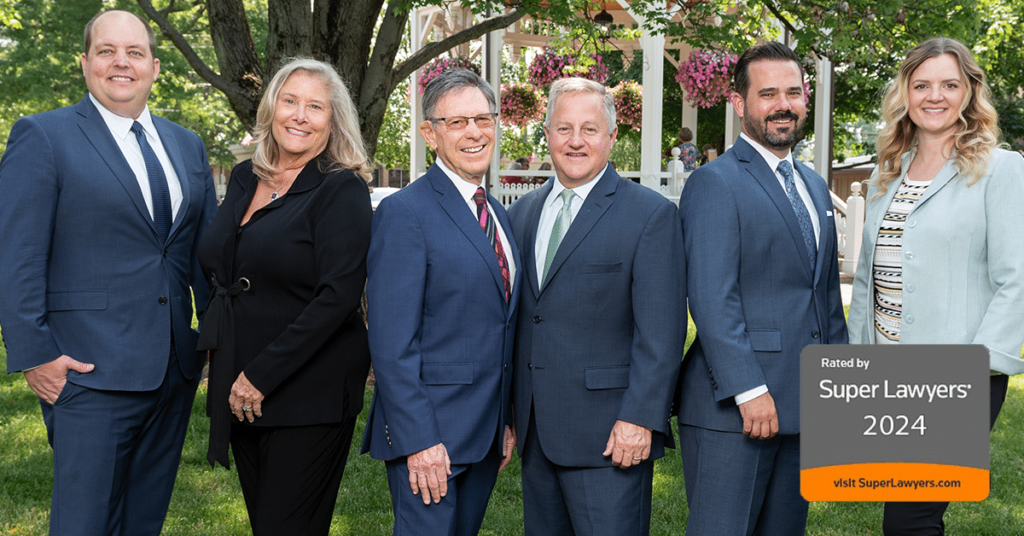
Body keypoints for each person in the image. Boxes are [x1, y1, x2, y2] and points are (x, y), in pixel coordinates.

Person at [0, 10, 217, 535]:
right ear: (85, 63)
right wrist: (36, 356)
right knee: (84, 523)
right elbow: (16, 255)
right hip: (86, 373)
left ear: (155, 66)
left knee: (142, 521)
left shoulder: (186, 144)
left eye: (134, 52)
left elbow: (204, 252)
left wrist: (212, 340)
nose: (121, 62)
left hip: (172, 371)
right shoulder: (43, 136)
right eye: (106, 51)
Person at [847, 37, 1024, 536]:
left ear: (970, 92)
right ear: (905, 91)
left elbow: (1017, 279)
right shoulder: (889, 176)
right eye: (921, 84)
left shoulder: (1002, 170)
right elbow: (868, 280)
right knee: (903, 516)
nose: (934, 96)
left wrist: (973, 368)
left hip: (957, 375)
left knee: (912, 518)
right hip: (888, 374)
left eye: (950, 84)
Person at [676, 41, 848, 536]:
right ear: (738, 103)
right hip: (736, 409)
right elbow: (711, 296)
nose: (783, 105)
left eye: (793, 92)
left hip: (806, 403)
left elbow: (825, 299)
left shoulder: (814, 185)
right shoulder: (714, 183)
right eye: (767, 93)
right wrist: (749, 390)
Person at [195, 58, 372, 534]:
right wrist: (225, 362)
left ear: (332, 122)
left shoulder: (342, 189)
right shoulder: (245, 178)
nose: (299, 115)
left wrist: (260, 374)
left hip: (307, 393)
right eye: (289, 101)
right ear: (271, 108)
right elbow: (222, 268)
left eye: (315, 107)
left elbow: (337, 298)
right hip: (242, 390)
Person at [507, 77, 685, 535]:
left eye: (589, 129)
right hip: (536, 431)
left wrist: (640, 419)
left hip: (611, 434)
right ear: (546, 134)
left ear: (612, 137)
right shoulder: (523, 213)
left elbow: (661, 333)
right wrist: (509, 416)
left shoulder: (650, 215)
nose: (575, 141)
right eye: (563, 128)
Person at [361, 68, 520, 536]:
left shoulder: (496, 215)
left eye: (483, 118)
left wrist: (505, 422)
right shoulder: (405, 213)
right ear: (430, 133)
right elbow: (392, 344)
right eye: (456, 123)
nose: (474, 132)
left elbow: (500, 325)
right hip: (432, 440)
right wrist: (420, 441)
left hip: (485, 434)